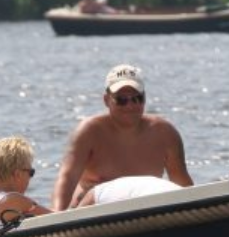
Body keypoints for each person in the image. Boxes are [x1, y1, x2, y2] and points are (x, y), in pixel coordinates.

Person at [51, 64, 193, 210]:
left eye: (137, 98)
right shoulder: (89, 131)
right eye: (121, 100)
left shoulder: (165, 133)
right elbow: (66, 179)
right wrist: (55, 216)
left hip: (145, 213)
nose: (130, 106)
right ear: (106, 100)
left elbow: (183, 186)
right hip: (92, 215)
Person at [0, 136, 52, 233]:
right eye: (31, 172)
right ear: (17, 174)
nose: (30, 178)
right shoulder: (10, 200)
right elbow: (55, 218)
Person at [78, 175, 182, 207]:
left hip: (161, 199)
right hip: (178, 195)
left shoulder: (94, 193)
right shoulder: (111, 187)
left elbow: (77, 220)